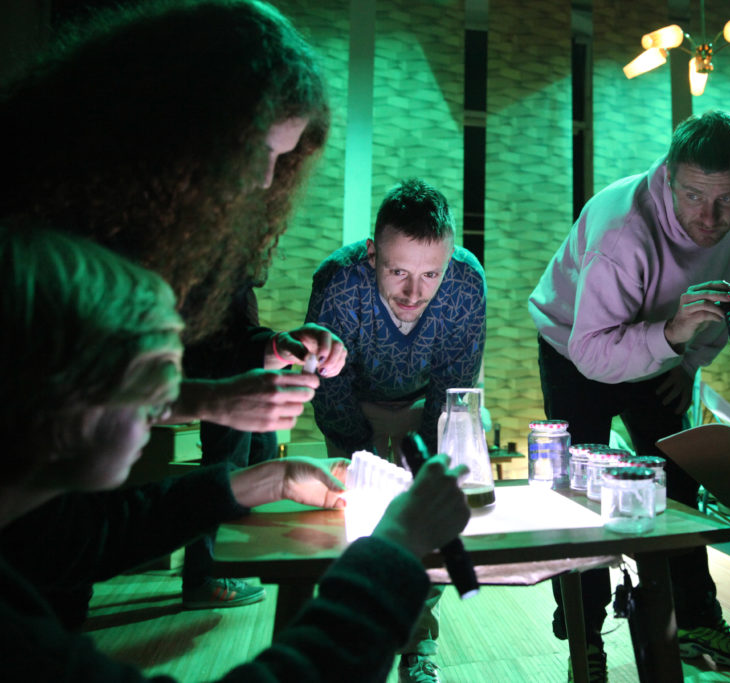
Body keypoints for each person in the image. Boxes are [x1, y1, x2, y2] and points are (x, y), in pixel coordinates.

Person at [0, 225, 472, 681]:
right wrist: (392, 555)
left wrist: (274, 480)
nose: (176, 397)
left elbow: (85, 534)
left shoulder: (26, 527)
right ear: (60, 393)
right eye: (161, 367)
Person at [0, 0, 350, 611]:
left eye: (282, 160)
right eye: (259, 153)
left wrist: (270, 348)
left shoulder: (196, 219)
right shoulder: (41, 223)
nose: (266, 182)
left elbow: (83, 534)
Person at [529, 109, 730, 677]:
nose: (710, 218)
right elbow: (591, 351)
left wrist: (689, 362)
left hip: (668, 346)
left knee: (678, 477)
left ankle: (695, 618)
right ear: (668, 178)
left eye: (726, 200)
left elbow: (720, 295)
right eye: (692, 196)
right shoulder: (621, 231)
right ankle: (584, 635)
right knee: (578, 499)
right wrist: (672, 335)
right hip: (575, 347)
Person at [306, 178, 486, 682]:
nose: (413, 292)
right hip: (353, 399)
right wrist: (366, 467)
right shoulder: (339, 282)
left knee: (424, 520)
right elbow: (330, 389)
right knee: (351, 519)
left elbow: (453, 392)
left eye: (431, 274)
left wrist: (422, 471)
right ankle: (348, 638)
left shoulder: (467, 284)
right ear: (372, 254)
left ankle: (418, 644)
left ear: (449, 261)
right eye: (398, 271)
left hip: (425, 401)